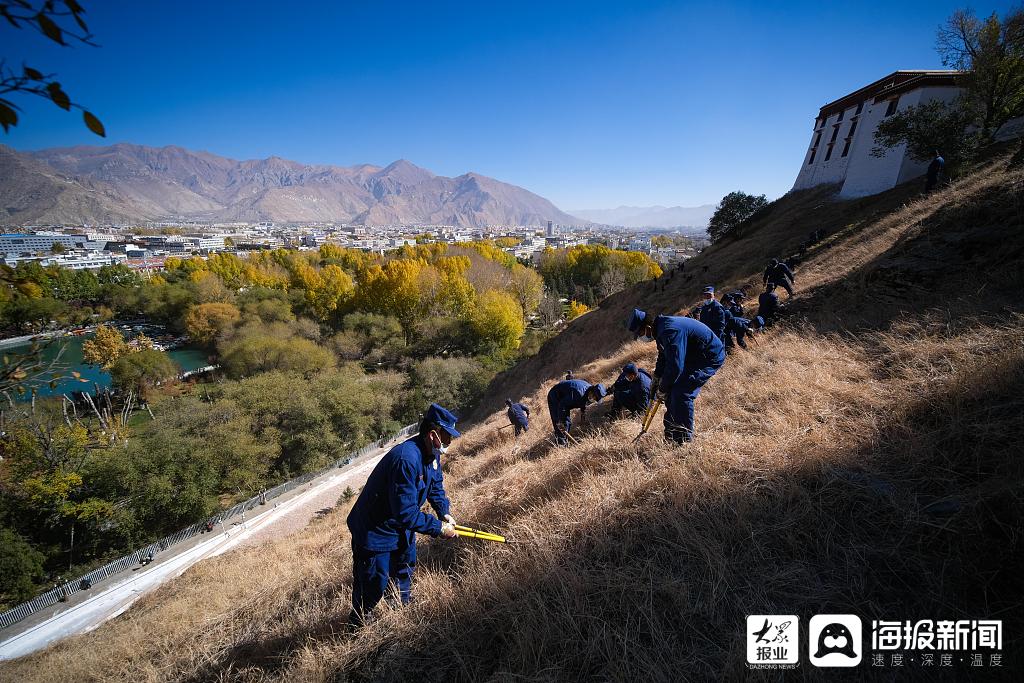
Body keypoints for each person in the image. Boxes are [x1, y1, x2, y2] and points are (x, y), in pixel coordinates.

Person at [346, 403, 459, 626]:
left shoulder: (432, 454)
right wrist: (438, 529)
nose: (449, 443)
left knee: (404, 568)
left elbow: (435, 486)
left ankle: (401, 610)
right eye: (447, 436)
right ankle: (359, 625)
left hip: (399, 526)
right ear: (433, 433)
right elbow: (406, 513)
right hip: (375, 529)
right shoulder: (406, 459)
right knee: (373, 583)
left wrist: (444, 513)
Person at [627, 309, 725, 444]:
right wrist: (657, 377)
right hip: (692, 355)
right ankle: (671, 433)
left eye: (640, 333)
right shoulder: (660, 328)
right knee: (670, 393)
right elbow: (663, 356)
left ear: (648, 327)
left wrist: (662, 388)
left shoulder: (668, 330)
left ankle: (683, 439)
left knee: (681, 392)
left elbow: (675, 367)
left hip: (708, 356)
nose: (641, 337)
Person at [547, 379, 607, 446]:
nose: (594, 399)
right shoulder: (579, 393)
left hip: (565, 396)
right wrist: (560, 421)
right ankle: (561, 444)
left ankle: (564, 439)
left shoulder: (588, 392)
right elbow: (562, 405)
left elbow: (584, 403)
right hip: (555, 396)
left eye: (596, 399)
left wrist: (583, 416)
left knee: (566, 423)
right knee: (562, 423)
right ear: (592, 391)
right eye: (594, 397)